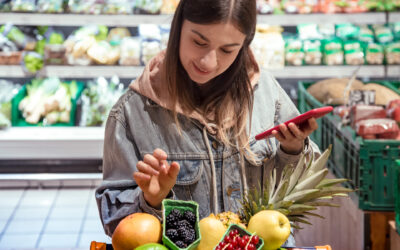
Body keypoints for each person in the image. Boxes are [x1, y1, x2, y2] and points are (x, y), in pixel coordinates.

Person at [95, 0, 320, 245]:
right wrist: (150, 201)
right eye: (199, 42)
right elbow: (115, 223)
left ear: (245, 45)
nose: (208, 62)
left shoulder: (268, 95)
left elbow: (303, 199)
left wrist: (293, 150)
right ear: (178, 26)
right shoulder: (132, 113)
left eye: (228, 50)